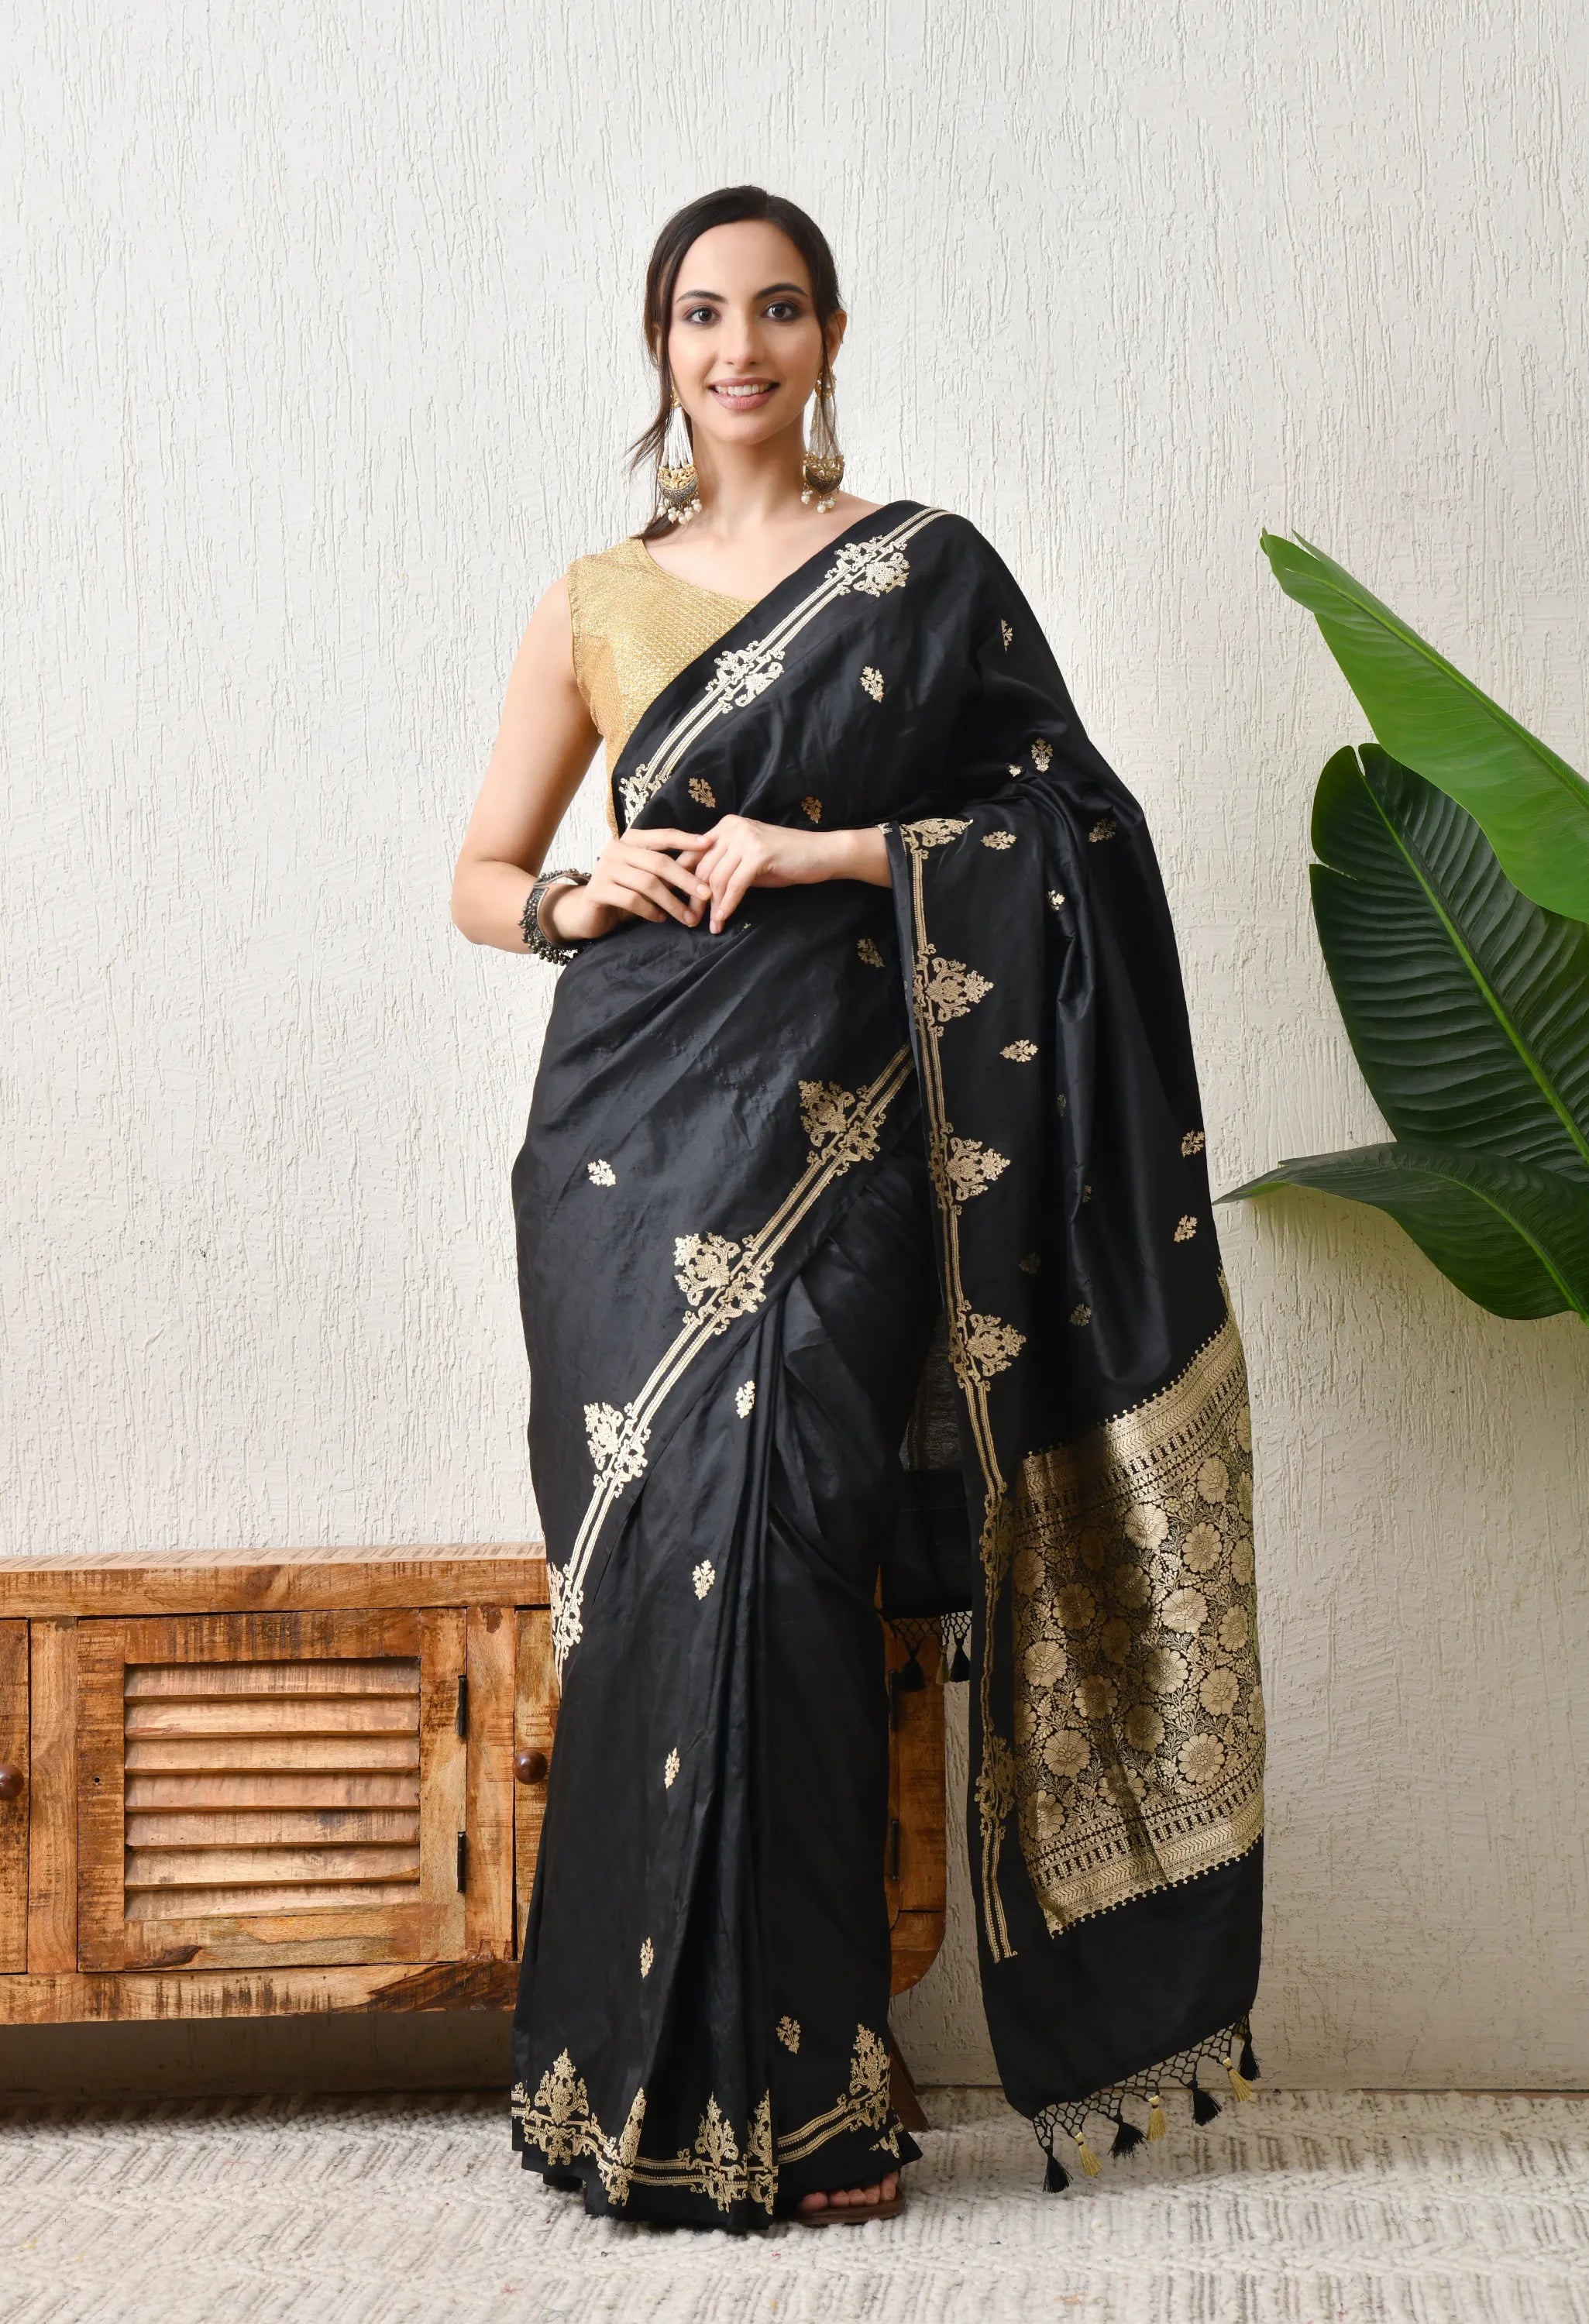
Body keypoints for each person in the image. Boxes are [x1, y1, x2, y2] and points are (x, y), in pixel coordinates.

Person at [450, 185, 1265, 2235]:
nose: (738, 345)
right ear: (660, 345)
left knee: (790, 1537)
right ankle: (612, 2087)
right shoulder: (591, 596)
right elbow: (480, 871)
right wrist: (573, 891)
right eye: (702, 312)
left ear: (826, 337)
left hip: (854, 1112)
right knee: (648, 1575)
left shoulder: (924, 574)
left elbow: (1066, 830)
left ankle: (810, 2094)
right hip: (629, 1133)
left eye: (777, 308)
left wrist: (818, 852)